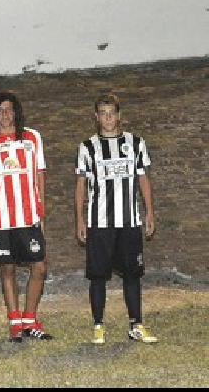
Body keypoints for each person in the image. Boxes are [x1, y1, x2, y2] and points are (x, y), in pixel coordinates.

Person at [74, 94, 158, 345]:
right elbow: (80, 185)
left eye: (112, 112)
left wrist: (150, 211)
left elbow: (143, 179)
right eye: (103, 113)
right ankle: (98, 326)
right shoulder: (87, 147)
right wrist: (79, 219)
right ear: (96, 117)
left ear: (119, 115)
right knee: (98, 276)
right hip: (99, 223)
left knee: (133, 274)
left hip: (129, 222)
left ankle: (136, 325)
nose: (108, 118)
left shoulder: (136, 143)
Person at [0, 93, 52, 343]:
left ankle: (30, 319)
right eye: (0, 111)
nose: (5, 115)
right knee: (7, 269)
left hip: (28, 216)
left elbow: (39, 175)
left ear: (16, 112)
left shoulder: (32, 137)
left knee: (39, 267)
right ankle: (14, 322)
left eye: (9, 110)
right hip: (1, 218)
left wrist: (42, 211)